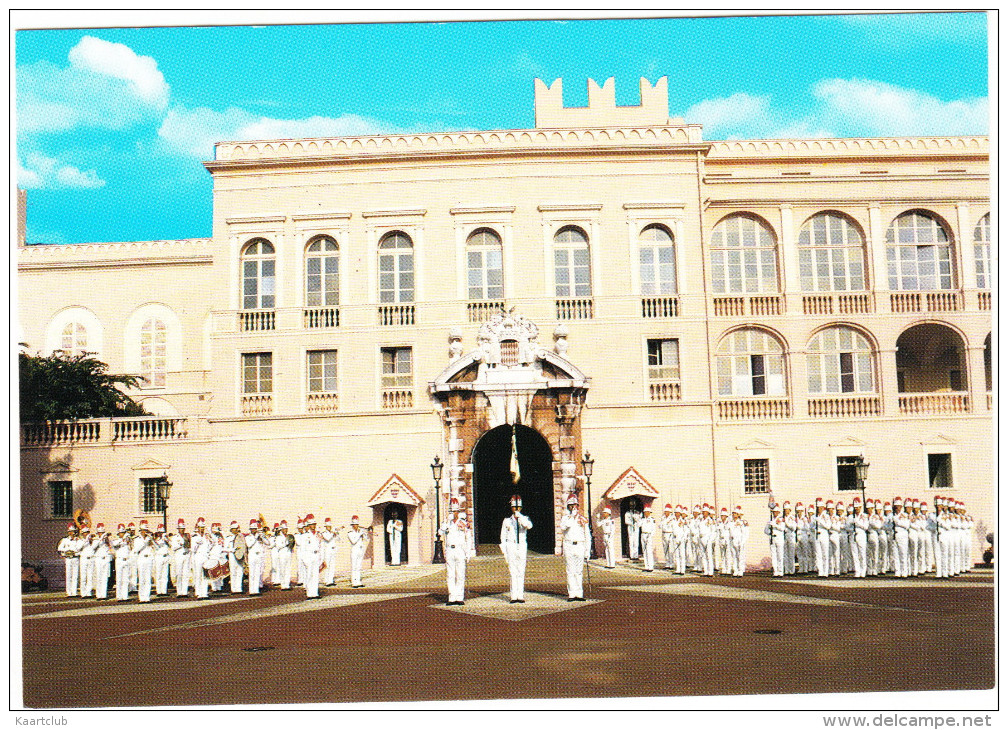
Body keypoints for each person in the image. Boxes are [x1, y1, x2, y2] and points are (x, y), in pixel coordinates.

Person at [500, 494, 533, 603]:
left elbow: (529, 526)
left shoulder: (525, 518)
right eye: (514, 507)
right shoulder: (507, 520)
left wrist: (520, 517)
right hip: (511, 545)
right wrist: (504, 552)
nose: (516, 509)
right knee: (513, 571)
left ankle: (520, 595)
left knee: (521, 570)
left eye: (518, 508)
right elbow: (503, 537)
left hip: (522, 545)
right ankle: (514, 596)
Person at [442, 510, 475, 605]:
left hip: (460, 550)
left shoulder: (463, 523)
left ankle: (459, 597)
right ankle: (452, 597)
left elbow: (468, 538)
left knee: (460, 574)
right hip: (449, 549)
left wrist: (468, 553)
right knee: (450, 574)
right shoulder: (447, 523)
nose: (454, 513)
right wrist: (444, 526)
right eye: (452, 511)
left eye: (455, 511)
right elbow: (441, 532)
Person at [560, 496, 590, 598]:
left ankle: (579, 593)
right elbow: (564, 527)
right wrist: (572, 517)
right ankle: (572, 594)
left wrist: (587, 550)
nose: (573, 508)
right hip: (569, 545)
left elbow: (587, 535)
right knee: (570, 571)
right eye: (571, 506)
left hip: (580, 545)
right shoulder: (565, 518)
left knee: (579, 571)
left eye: (575, 505)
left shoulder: (582, 519)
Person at [300, 514, 323, 598]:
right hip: (309, 556)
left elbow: (320, 546)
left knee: (315, 575)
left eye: (314, 524)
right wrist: (304, 560)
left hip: (316, 555)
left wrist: (321, 558)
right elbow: (302, 549)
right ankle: (310, 594)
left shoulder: (317, 534)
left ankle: (315, 593)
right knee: (309, 575)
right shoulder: (305, 536)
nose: (313, 526)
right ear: (308, 526)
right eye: (311, 525)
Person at [134, 520, 156, 603]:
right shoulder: (137, 539)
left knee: (147, 578)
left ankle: (147, 597)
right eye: (144, 531)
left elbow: (156, 547)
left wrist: (152, 540)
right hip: (141, 558)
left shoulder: (149, 538)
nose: (145, 532)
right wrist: (145, 542)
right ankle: (141, 597)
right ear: (140, 531)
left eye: (146, 531)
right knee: (142, 578)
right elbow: (136, 550)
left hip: (149, 558)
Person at [57, 523, 81, 597]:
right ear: (68, 532)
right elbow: (59, 548)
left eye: (74, 531)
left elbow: (80, 549)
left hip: (75, 558)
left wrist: (74, 552)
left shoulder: (78, 540)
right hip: (68, 558)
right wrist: (67, 550)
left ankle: (74, 592)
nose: (73, 533)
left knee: (75, 575)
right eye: (71, 531)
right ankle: (69, 592)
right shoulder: (64, 540)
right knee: (69, 575)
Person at [191, 517, 212, 599]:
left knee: (206, 576)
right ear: (197, 528)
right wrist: (197, 543)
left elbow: (210, 546)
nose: (202, 529)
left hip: (205, 557)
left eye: (203, 527)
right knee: (198, 575)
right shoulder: (194, 537)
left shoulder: (206, 537)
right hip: (198, 556)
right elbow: (193, 549)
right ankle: (198, 593)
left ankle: (205, 593)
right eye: (200, 527)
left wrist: (210, 536)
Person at [246, 519, 268, 594]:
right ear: (250, 530)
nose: (254, 530)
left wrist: (263, 537)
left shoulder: (259, 536)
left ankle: (256, 590)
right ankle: (251, 590)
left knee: (257, 573)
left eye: (255, 529)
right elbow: (249, 545)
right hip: (252, 555)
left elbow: (268, 543)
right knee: (252, 573)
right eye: (252, 529)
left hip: (259, 556)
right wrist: (255, 538)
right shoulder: (248, 537)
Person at [171, 519, 191, 597]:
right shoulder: (175, 537)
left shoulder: (187, 536)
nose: (182, 530)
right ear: (178, 529)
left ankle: (184, 592)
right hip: (179, 555)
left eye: (183, 528)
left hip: (186, 555)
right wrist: (180, 545)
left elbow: (189, 545)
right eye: (180, 528)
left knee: (185, 574)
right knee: (179, 574)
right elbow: (173, 548)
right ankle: (179, 591)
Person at [112, 524, 132, 601]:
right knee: (119, 579)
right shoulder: (116, 540)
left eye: (123, 533)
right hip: (119, 560)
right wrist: (123, 539)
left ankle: (125, 596)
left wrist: (127, 538)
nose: (122, 534)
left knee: (126, 579)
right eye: (121, 533)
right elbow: (114, 545)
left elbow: (131, 545)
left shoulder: (128, 539)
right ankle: (119, 596)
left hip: (126, 560)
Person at [765, 503, 785, 577]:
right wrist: (770, 531)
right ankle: (775, 571)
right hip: (772, 538)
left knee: (780, 555)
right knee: (774, 556)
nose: (775, 513)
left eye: (776, 512)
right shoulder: (770, 520)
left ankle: (781, 571)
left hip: (779, 538)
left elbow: (782, 528)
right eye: (774, 512)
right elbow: (765, 530)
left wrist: (775, 525)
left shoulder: (781, 519)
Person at [93, 524, 112, 600]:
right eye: (100, 533)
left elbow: (111, 546)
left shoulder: (107, 540)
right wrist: (100, 539)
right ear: (98, 533)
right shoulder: (95, 540)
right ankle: (98, 595)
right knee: (99, 577)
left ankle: (104, 595)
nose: (102, 534)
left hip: (106, 559)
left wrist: (107, 540)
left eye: (103, 532)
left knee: (105, 578)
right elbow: (93, 547)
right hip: (98, 559)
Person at [892, 497, 910, 578]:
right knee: (895, 555)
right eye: (896, 506)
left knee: (903, 554)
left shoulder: (905, 515)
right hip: (894, 535)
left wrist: (898, 522)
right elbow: (886, 526)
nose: (897, 508)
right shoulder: (892, 516)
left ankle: (904, 571)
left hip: (902, 535)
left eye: (899, 506)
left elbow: (907, 525)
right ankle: (897, 571)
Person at [225, 520, 245, 593]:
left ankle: (239, 588)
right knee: (233, 572)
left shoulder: (241, 536)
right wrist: (232, 550)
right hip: (232, 555)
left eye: (237, 528)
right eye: (234, 528)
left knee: (240, 571)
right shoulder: (228, 537)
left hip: (240, 555)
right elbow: (224, 548)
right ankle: (233, 589)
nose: (236, 530)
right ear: (231, 529)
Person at [320, 518, 341, 584]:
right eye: (328, 526)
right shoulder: (324, 533)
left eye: (330, 526)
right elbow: (328, 539)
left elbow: (338, 539)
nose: (329, 527)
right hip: (327, 551)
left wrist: (337, 533)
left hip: (333, 550)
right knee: (327, 566)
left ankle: (330, 580)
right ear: (325, 527)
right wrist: (333, 533)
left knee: (332, 566)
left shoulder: (332, 533)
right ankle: (326, 580)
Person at [153, 524, 171, 596]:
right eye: (160, 533)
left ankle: (164, 591)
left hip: (166, 557)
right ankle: (159, 591)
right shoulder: (155, 540)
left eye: (162, 533)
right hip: (159, 557)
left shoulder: (165, 539)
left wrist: (167, 540)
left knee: (165, 575)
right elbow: (156, 547)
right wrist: (159, 539)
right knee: (159, 574)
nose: (161, 534)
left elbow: (171, 545)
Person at [275, 520, 294, 589]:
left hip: (288, 553)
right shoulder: (279, 537)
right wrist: (285, 543)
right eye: (284, 529)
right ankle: (283, 584)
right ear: (281, 530)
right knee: (282, 569)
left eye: (286, 529)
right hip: (282, 554)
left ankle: (287, 584)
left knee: (288, 569)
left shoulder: (289, 536)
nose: (285, 530)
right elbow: (278, 546)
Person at [78, 526, 96, 598]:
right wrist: (85, 540)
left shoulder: (93, 541)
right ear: (82, 534)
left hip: (91, 559)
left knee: (90, 576)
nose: (87, 534)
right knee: (83, 576)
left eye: (88, 532)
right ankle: (83, 593)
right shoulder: (80, 541)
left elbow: (94, 547)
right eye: (85, 533)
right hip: (84, 559)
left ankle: (89, 592)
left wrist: (91, 541)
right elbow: (78, 548)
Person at [815, 499, 831, 578]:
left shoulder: (826, 516)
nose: (819, 509)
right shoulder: (816, 516)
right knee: (818, 555)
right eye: (818, 507)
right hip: (817, 536)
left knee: (825, 554)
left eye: (820, 507)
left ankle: (825, 572)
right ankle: (820, 571)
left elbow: (828, 526)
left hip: (824, 535)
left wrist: (820, 521)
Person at [699, 504, 716, 576]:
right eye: (703, 512)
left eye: (705, 512)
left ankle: (710, 571)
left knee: (709, 555)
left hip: (707, 538)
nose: (703, 513)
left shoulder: (710, 520)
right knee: (703, 556)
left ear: (708, 512)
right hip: (701, 538)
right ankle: (705, 571)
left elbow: (713, 531)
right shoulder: (701, 520)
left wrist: (710, 540)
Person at [639, 505, 656, 572]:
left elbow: (653, 529)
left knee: (649, 551)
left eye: (647, 512)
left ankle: (650, 566)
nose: (645, 513)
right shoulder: (643, 520)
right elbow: (638, 525)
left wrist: (650, 536)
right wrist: (638, 519)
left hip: (649, 535)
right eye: (645, 512)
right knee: (644, 551)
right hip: (643, 534)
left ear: (649, 512)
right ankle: (646, 566)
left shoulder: (652, 520)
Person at [716, 507, 732, 574]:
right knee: (722, 555)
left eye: (723, 516)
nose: (722, 517)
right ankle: (723, 569)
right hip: (721, 540)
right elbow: (718, 532)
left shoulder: (729, 522)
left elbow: (731, 531)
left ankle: (728, 570)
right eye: (721, 516)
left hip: (727, 539)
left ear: (726, 516)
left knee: (728, 555)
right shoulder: (719, 522)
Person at [660, 504, 676, 571]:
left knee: (671, 550)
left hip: (670, 534)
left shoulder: (673, 518)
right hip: (664, 533)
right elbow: (660, 525)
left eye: (667, 512)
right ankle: (667, 563)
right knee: (665, 550)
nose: (666, 513)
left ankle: (671, 564)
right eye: (665, 511)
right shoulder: (663, 518)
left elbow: (674, 527)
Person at [126, 522, 139, 593]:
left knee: (134, 572)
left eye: (133, 530)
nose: (132, 532)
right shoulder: (126, 537)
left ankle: (134, 587)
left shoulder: (137, 538)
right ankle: (128, 587)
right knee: (128, 572)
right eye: (131, 530)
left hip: (134, 555)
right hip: (128, 555)